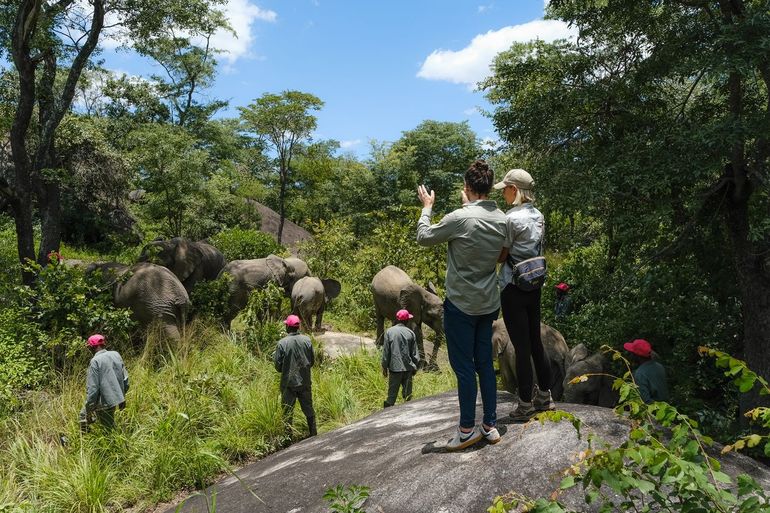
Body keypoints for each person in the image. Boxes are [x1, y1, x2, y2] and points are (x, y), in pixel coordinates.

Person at [416, 159, 509, 451]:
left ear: (467, 187)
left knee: (464, 368)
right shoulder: (503, 219)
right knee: (484, 363)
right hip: (489, 303)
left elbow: (423, 237)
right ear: (490, 186)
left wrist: (427, 207)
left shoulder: (459, 217)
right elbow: (502, 257)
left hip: (460, 305)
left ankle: (467, 429)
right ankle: (490, 425)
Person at [494, 168, 556, 421]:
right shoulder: (538, 215)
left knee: (521, 347)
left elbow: (502, 254)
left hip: (513, 285)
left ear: (515, 190)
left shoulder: (510, 219)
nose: (504, 194)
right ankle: (545, 396)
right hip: (534, 282)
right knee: (535, 342)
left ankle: (525, 404)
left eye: (506, 189)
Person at [274, 314, 317, 437]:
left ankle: (288, 439)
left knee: (287, 412)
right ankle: (314, 434)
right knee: (309, 409)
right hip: (305, 382)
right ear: (298, 327)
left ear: (288, 327)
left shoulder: (282, 343)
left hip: (288, 384)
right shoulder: (307, 340)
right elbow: (312, 361)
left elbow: (277, 367)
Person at [79, 334, 129, 432]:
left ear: (91, 347)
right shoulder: (116, 354)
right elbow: (125, 379)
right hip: (117, 398)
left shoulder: (95, 361)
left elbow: (93, 389)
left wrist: (89, 408)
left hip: (104, 402)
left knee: (84, 418)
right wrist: (122, 397)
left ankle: (81, 441)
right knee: (106, 424)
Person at [382, 309, 420, 408]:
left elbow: (386, 352)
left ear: (397, 319)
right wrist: (415, 366)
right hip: (408, 369)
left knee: (391, 397)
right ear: (407, 320)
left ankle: (386, 417)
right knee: (408, 397)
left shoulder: (389, 332)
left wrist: (384, 367)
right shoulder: (411, 333)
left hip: (395, 369)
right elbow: (415, 354)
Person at [623, 338, 669, 403]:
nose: (630, 355)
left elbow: (645, 401)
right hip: (665, 408)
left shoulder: (639, 374)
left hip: (653, 411)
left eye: (632, 353)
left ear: (636, 356)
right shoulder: (659, 366)